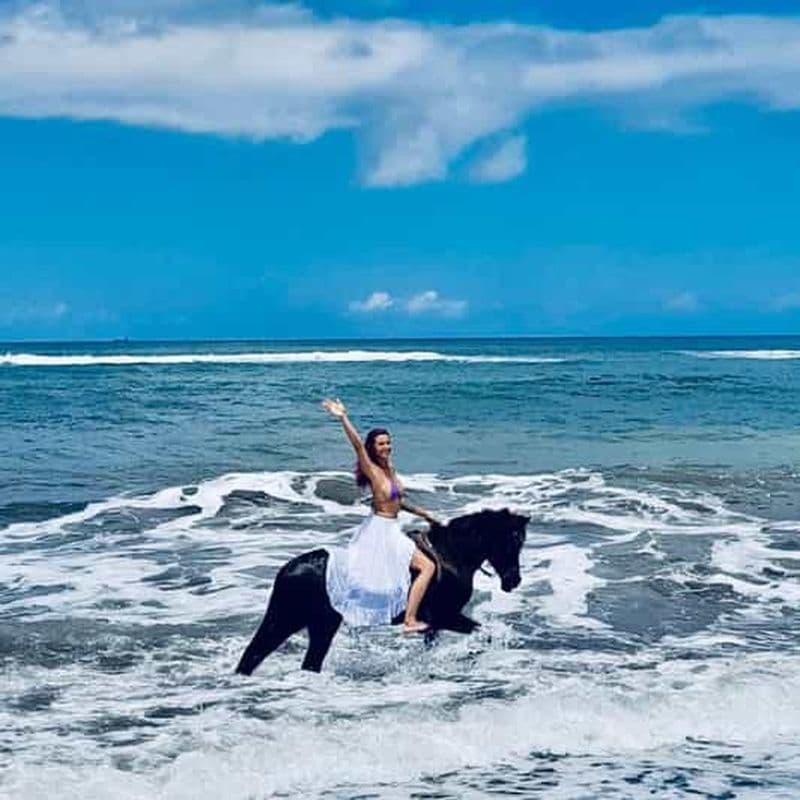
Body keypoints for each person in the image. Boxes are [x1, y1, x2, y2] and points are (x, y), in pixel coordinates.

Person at [322, 398, 438, 633]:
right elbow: (357, 445)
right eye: (381, 444)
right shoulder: (373, 470)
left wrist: (423, 513)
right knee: (427, 567)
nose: (386, 447)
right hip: (380, 530)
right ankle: (410, 620)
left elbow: (396, 501)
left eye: (388, 442)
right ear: (373, 448)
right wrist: (343, 417)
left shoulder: (390, 469)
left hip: (392, 526)